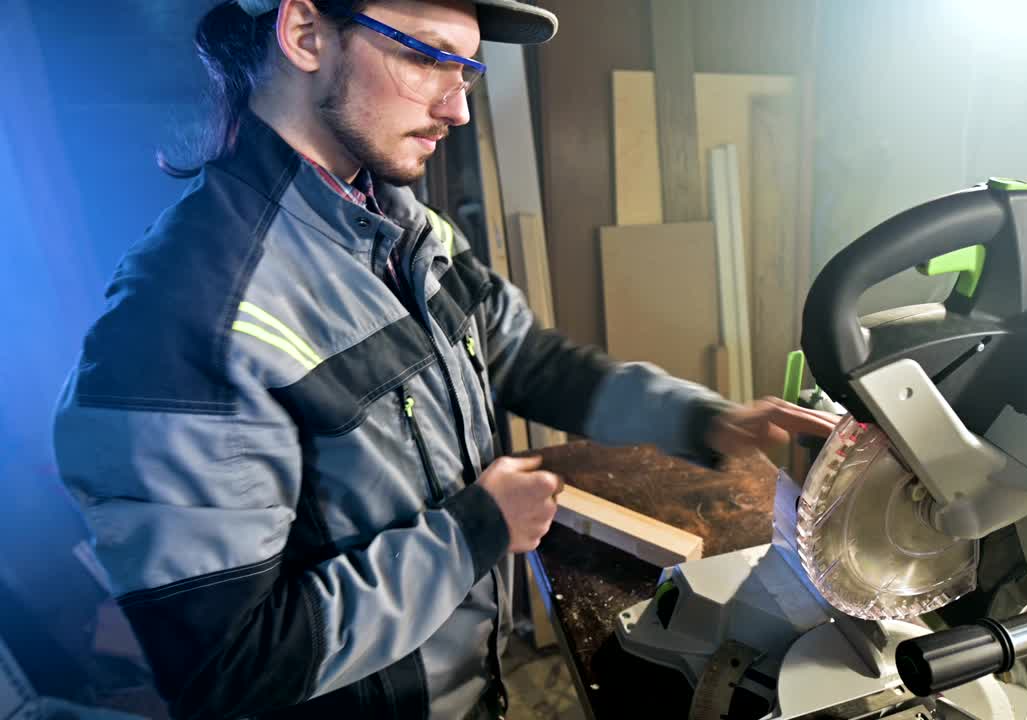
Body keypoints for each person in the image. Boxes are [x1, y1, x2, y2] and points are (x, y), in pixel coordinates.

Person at [51, 1, 837, 718]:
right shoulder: (185, 319)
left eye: (467, 70)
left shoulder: (399, 223)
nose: (457, 106)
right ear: (303, 33)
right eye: (427, 58)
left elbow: (525, 356)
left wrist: (704, 419)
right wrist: (475, 530)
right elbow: (229, 666)